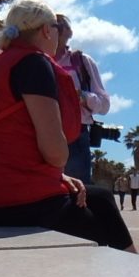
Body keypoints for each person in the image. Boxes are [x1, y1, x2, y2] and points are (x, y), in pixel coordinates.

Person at [0, 0, 135, 250]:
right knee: (101, 239)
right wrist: (59, 165)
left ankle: (136, 263)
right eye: (57, 28)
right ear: (46, 30)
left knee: (102, 198)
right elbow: (55, 153)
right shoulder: (34, 64)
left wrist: (61, 177)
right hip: (21, 202)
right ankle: (133, 268)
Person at [50, 14, 112, 183]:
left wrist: (82, 96)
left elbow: (104, 105)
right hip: (41, 132)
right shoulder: (36, 61)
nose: (54, 31)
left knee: (78, 190)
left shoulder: (82, 61)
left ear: (68, 32)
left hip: (76, 135)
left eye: (59, 26)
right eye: (50, 26)